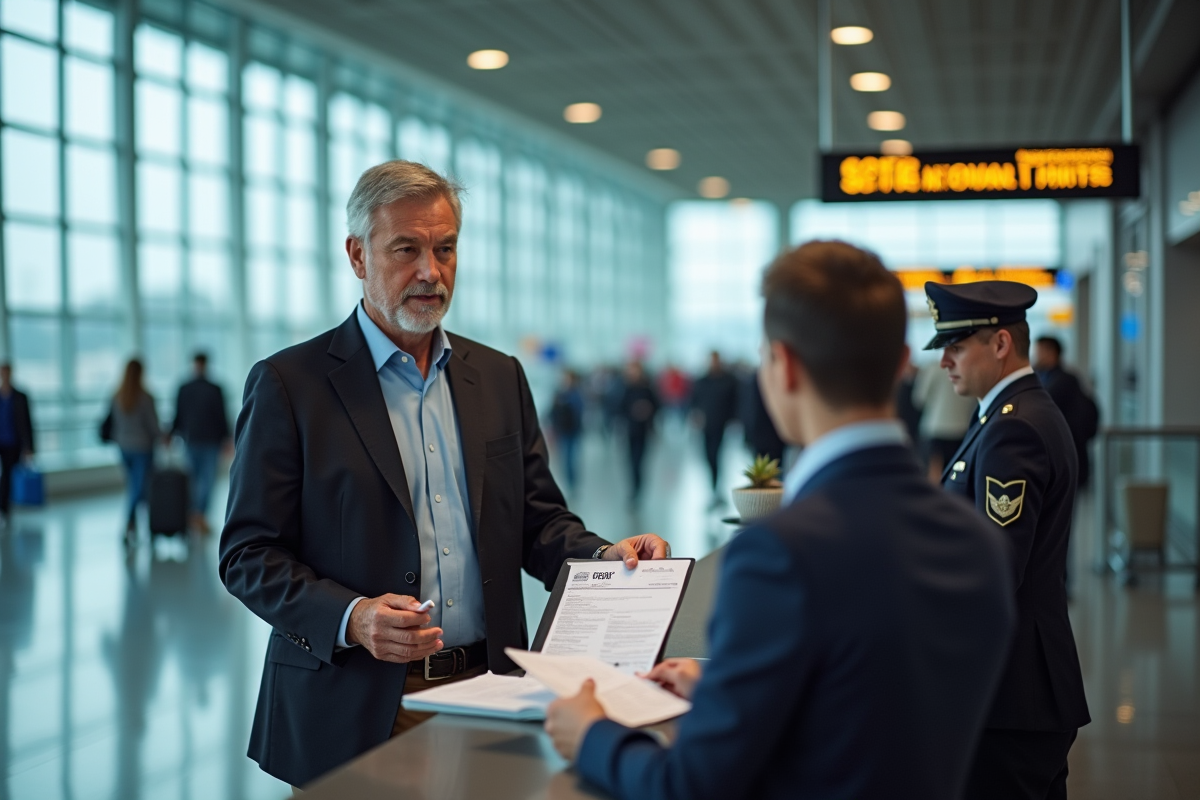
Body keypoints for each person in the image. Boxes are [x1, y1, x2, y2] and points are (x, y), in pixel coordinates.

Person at [217, 160, 669, 789]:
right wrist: (352, 616)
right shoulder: (292, 385)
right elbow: (247, 553)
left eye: (445, 248)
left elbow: (538, 520)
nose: (431, 271)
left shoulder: (499, 376)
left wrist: (603, 555)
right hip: (357, 707)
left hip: (494, 694)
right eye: (407, 249)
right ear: (357, 255)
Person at [545, 241, 1016, 800]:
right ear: (901, 363)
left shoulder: (779, 554)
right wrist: (728, 692)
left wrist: (592, 734)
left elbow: (688, 785)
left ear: (784, 365)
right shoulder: (975, 538)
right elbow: (873, 711)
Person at [924, 280, 1091, 800]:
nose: (945, 362)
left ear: (999, 344)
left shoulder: (1012, 429)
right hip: (1020, 684)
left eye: (956, 346)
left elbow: (995, 570)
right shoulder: (1006, 415)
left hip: (1010, 689)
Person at [170, 352, 230, 533]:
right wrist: (226, 437)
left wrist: (173, 433)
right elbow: (221, 416)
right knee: (206, 480)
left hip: (193, 439)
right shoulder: (215, 388)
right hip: (207, 440)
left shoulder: (184, 387)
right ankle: (199, 515)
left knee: (196, 480)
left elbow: (178, 415)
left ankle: (195, 514)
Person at [1034, 336, 1100, 490]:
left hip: (1065, 459)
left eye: (1039, 352)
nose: (1035, 356)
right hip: (1059, 460)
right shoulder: (1045, 378)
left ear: (1052, 353)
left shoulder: (1064, 381)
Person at [110, 359, 162, 542]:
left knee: (135, 485)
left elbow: (114, 424)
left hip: (123, 447)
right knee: (139, 488)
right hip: (142, 448)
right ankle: (131, 523)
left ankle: (137, 525)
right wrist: (162, 437)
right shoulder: (145, 397)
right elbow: (152, 425)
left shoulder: (117, 396)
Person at [914, 357, 976, 481]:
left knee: (934, 476)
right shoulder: (970, 368)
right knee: (958, 477)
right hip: (962, 429)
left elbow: (919, 399)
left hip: (936, 429)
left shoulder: (934, 368)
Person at [689, 351, 739, 499]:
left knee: (717, 454)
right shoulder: (701, 381)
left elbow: (735, 402)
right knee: (708, 455)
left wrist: (734, 420)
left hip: (721, 424)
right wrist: (695, 416)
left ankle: (717, 487)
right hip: (705, 425)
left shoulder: (729, 380)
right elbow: (694, 401)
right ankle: (713, 484)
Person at [618, 361, 659, 504]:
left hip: (643, 431)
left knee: (639, 461)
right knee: (630, 462)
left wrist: (647, 410)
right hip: (630, 430)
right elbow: (619, 407)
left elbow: (657, 406)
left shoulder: (647, 389)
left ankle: (638, 489)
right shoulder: (625, 388)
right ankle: (633, 488)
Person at [0, 364, 35, 521]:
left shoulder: (20, 396)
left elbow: (28, 423)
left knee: (8, 474)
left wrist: (29, 447)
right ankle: (4, 505)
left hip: (13, 442)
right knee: (5, 475)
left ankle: (5, 506)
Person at [548, 369, 585, 491]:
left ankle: (572, 483)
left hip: (572, 431)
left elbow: (578, 413)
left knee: (569, 458)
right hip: (562, 430)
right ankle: (568, 482)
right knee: (563, 458)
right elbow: (552, 412)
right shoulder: (559, 393)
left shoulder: (575, 395)